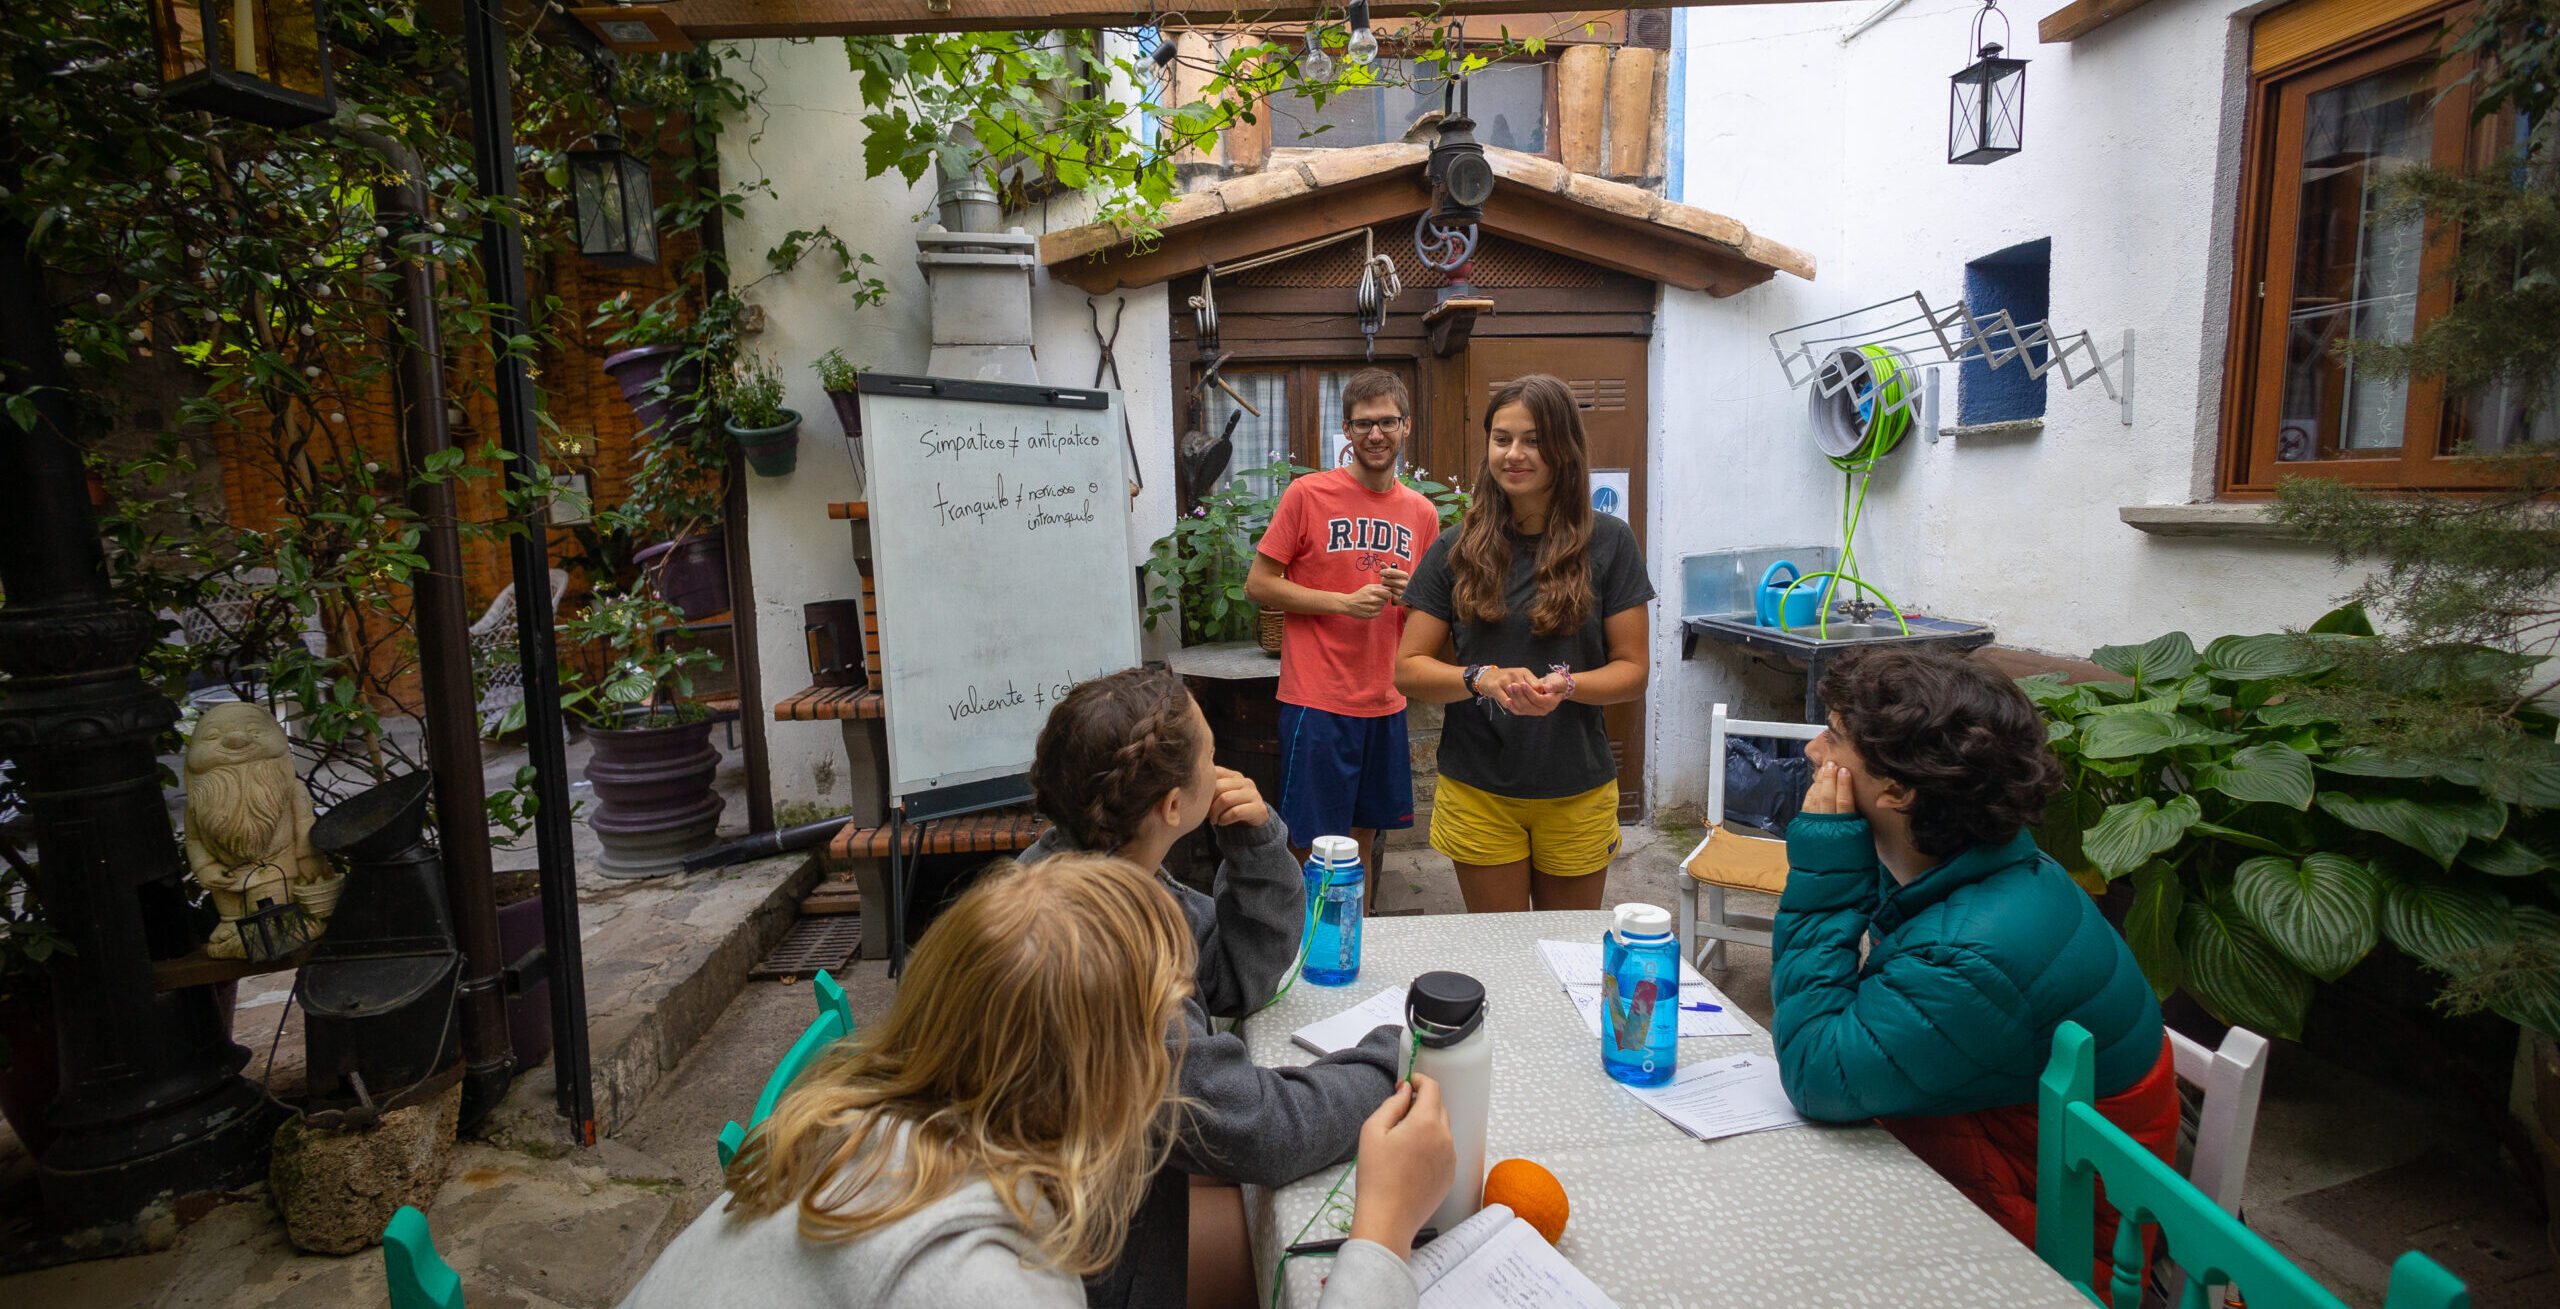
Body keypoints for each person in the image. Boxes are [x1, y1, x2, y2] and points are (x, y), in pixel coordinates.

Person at [617, 853, 1455, 1309]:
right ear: (1112, 1080)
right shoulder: (989, 1283)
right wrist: (1379, 1236)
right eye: (1168, 1029)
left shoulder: (861, 1135)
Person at [1771, 647, 2176, 1278]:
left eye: (1836, 738)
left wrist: (1826, 863)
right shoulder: (1992, 859)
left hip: (2040, 1244)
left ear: (1898, 790)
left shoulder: (1968, 957)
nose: (1814, 753)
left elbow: (1816, 1074)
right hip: (2005, 1155)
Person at [1017, 667, 1403, 1308]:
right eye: (1212, 756)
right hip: (1091, 1275)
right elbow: (1260, 1130)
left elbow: (1233, 977)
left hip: (1120, 1221)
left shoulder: (1100, 871)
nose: (1221, 769)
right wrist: (1395, 1056)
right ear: (1173, 806)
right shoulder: (1101, 963)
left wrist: (1253, 845)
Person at [1393, 374, 1654, 913]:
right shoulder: (1455, 549)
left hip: (1576, 788)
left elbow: (1633, 671)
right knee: (1501, 956)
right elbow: (1409, 669)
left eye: (1534, 439)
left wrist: (1569, 684)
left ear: (1565, 447)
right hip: (1479, 788)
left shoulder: (1610, 542)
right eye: (1502, 438)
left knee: (1567, 956)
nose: (1514, 454)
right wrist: (1478, 678)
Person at [1246, 369, 1444, 912]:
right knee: (1308, 841)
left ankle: (1354, 941)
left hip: (1384, 699)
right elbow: (1258, 583)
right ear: (1346, 431)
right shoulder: (1307, 495)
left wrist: (1410, 600)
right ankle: (1299, 948)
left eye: (1386, 422)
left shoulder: (1422, 513)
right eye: (1363, 424)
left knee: (1365, 837)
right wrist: (1340, 602)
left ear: (1406, 427)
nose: (1375, 434)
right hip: (1317, 699)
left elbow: (1429, 615)